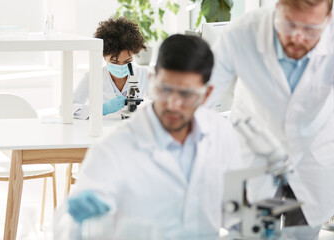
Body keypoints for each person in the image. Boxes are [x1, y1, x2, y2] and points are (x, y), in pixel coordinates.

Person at [55, 34, 243, 238]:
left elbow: (238, 215)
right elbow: (69, 227)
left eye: (187, 95)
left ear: (207, 94)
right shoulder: (113, 148)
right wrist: (77, 224)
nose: (173, 104)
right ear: (152, 82)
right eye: (165, 90)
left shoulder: (222, 135)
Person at [208, 0, 334, 238]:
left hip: (314, 159)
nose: (297, 38)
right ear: (277, 8)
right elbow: (197, 97)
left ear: (328, 21)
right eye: (289, 25)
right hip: (254, 156)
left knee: (300, 235)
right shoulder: (242, 33)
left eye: (311, 29)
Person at [73, 17, 149, 119]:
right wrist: (102, 109)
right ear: (104, 56)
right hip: (102, 131)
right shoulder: (92, 76)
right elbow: (67, 109)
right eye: (115, 62)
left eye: (127, 61)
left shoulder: (145, 75)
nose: (121, 66)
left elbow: (163, 104)